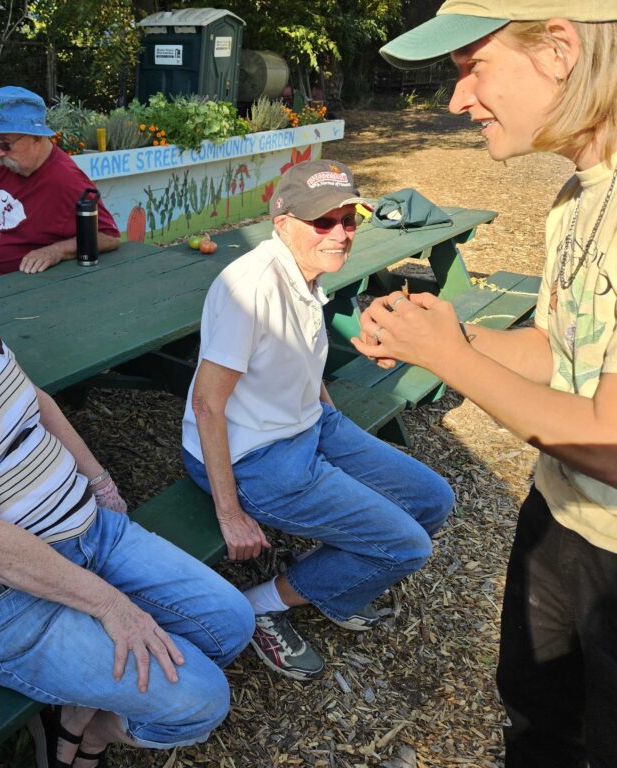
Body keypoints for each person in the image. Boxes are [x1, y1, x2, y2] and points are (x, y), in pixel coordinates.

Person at [0, 177, 254, 768]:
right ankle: (86, 726)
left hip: (89, 530)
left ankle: (81, 714)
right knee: (202, 701)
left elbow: (35, 400)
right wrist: (112, 606)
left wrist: (100, 482)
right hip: (3, 602)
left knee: (231, 624)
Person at [372, 3, 617, 765]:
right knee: (537, 718)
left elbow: (610, 441)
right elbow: (559, 348)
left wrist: (455, 364)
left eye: (472, 67)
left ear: (558, 48)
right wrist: (455, 338)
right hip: (561, 517)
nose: (455, 103)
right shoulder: (580, 195)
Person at [181, 159, 455, 682]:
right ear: (281, 222)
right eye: (322, 221)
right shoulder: (251, 287)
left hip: (309, 424)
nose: (340, 233)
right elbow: (205, 403)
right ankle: (261, 607)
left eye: (348, 218)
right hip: (254, 454)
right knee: (406, 545)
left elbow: (298, 351)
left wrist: (324, 406)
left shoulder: (305, 271)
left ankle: (333, 586)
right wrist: (231, 512)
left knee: (432, 500)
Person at [0, 86, 121, 274]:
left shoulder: (67, 180)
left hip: (28, 284)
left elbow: (110, 236)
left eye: (5, 144)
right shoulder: (3, 162)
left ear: (36, 137)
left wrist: (56, 251)